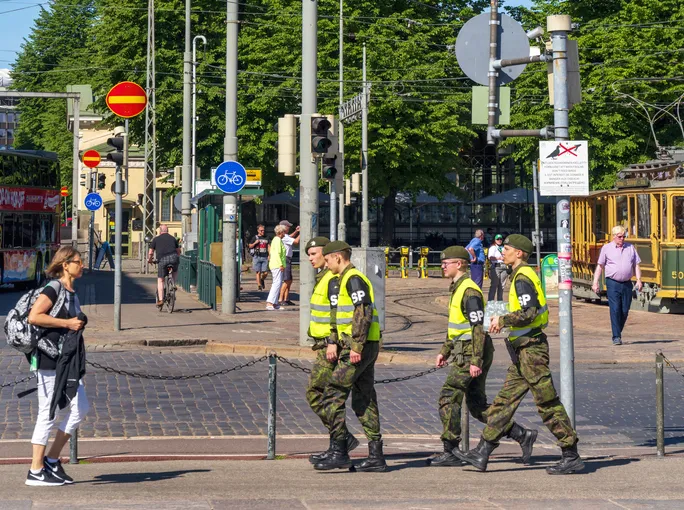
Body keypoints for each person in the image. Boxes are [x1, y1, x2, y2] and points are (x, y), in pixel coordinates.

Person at [453, 234, 584, 475]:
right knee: (504, 402)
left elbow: (529, 312)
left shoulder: (522, 278)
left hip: (531, 350)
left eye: (508, 249)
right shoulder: (519, 276)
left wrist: (502, 320)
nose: (504, 252)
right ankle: (482, 452)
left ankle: (570, 453)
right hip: (522, 351)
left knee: (547, 403)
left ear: (520, 253)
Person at [430, 246, 536, 467]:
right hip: (465, 349)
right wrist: (444, 351)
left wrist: (476, 361)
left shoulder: (469, 291)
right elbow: (456, 327)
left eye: (446, 263)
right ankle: (521, 434)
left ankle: (450, 450)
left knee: (448, 397)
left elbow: (477, 327)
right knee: (477, 405)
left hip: (471, 351)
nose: (442, 266)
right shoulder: (458, 288)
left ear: (459, 264)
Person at [314, 241, 385, 472]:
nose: (325, 263)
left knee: (332, 395)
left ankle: (339, 451)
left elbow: (362, 311)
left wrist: (356, 346)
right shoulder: (344, 279)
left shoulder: (353, 278)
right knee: (364, 398)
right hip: (363, 345)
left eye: (327, 259)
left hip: (359, 347)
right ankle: (376, 456)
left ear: (337, 257)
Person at [25, 247, 89, 486]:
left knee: (80, 407)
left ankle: (51, 460)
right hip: (49, 358)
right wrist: (67, 323)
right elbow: (34, 316)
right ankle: (35, 470)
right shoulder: (54, 288)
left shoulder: (73, 291)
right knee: (47, 413)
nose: (82, 265)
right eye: (78, 262)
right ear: (65, 264)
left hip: (68, 360)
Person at [304, 236, 360, 464]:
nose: (311, 258)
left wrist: (332, 342)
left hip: (333, 346)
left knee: (320, 393)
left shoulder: (333, 279)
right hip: (325, 344)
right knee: (323, 395)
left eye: (315, 254)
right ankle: (339, 441)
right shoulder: (325, 277)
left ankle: (341, 441)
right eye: (309, 254)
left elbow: (337, 315)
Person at [592, 225, 642, 346]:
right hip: (612, 283)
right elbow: (600, 266)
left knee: (624, 310)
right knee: (615, 309)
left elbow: (636, 265)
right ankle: (616, 336)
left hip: (627, 283)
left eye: (624, 236)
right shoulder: (606, 248)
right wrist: (595, 282)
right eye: (620, 237)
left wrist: (639, 280)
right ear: (614, 236)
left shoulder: (630, 248)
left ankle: (617, 331)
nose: (622, 239)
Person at [147, 225, 181, 307]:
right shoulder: (173, 238)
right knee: (175, 270)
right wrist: (176, 258)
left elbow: (151, 252)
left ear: (160, 231)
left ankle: (161, 300)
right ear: (168, 231)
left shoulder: (156, 239)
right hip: (174, 258)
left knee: (161, 280)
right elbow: (178, 251)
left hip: (162, 260)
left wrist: (150, 260)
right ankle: (173, 283)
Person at [278, 220, 300, 306]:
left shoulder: (285, 236)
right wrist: (302, 232)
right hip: (285, 259)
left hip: (288, 259)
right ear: (284, 227)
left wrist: (296, 231)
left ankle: (286, 298)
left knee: (289, 280)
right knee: (286, 280)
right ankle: (281, 299)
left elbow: (291, 236)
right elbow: (295, 242)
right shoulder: (283, 237)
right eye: (288, 226)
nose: (289, 228)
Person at [266, 224, 287, 310]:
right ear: (280, 232)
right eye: (284, 232)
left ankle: (274, 303)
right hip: (277, 264)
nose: (285, 234)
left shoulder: (275, 240)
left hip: (275, 264)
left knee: (278, 283)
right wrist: (280, 264)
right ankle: (270, 302)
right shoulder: (278, 240)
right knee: (276, 283)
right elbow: (277, 253)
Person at [249, 224, 270, 291]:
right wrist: (255, 243)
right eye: (261, 230)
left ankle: (262, 279)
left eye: (263, 230)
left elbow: (269, 247)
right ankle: (259, 285)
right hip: (257, 256)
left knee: (265, 272)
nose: (262, 232)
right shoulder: (255, 237)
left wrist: (270, 255)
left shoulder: (267, 237)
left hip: (265, 256)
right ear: (258, 230)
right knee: (258, 272)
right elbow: (250, 246)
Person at [487, 234, 508, 301]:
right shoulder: (493, 247)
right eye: (497, 239)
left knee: (502, 286)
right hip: (496, 266)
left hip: (504, 267)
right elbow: (490, 257)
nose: (499, 240)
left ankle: (500, 301)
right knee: (494, 285)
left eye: (500, 239)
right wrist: (498, 258)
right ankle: (490, 301)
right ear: (495, 240)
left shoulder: (503, 248)